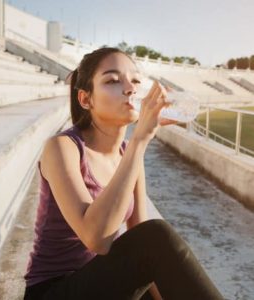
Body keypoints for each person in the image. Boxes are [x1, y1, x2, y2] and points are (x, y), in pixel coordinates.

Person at [23, 47, 224, 300]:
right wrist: (140, 140)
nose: (130, 89)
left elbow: (139, 237)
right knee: (158, 236)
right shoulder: (63, 148)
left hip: (103, 285)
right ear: (86, 100)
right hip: (55, 290)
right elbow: (96, 239)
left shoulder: (127, 153)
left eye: (136, 81)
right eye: (112, 81)